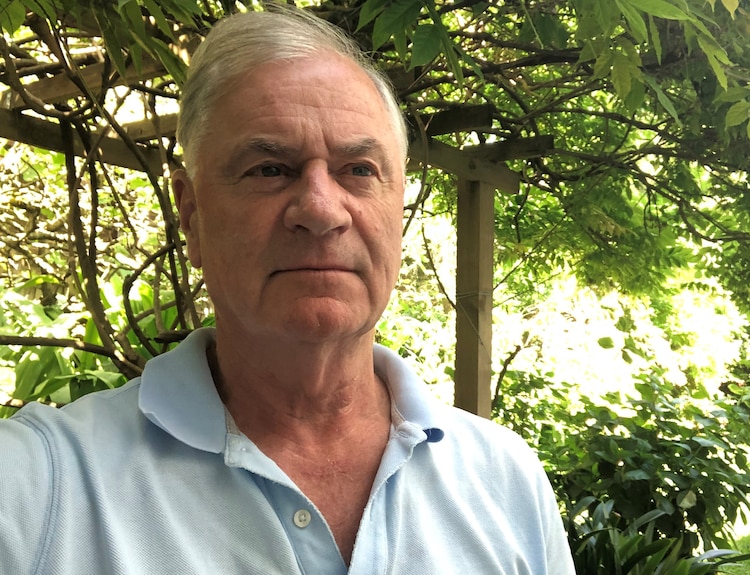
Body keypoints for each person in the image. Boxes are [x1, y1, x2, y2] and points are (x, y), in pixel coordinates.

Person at [0, 6, 576, 574]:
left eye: (358, 170)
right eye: (270, 169)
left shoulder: (506, 481)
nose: (321, 211)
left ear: (397, 211)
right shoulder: (39, 488)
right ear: (192, 214)